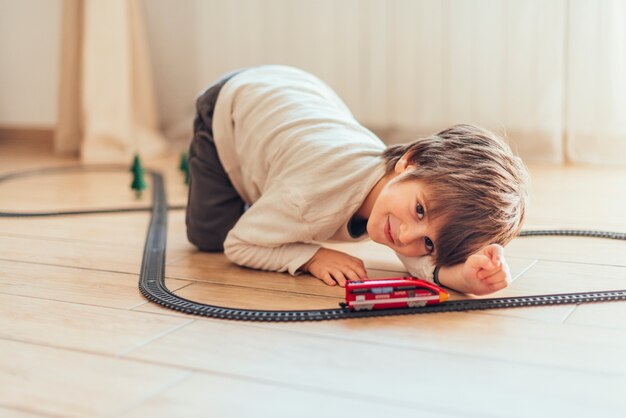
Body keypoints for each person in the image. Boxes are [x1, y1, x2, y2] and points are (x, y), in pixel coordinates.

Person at [186, 65, 529, 296]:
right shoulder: (309, 198)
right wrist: (312, 257)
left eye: (428, 244)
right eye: (420, 211)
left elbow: (420, 262)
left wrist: (466, 278)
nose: (407, 236)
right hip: (231, 105)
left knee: (274, 211)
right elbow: (239, 244)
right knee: (211, 235)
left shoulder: (402, 193)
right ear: (410, 161)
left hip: (298, 97)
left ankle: (268, 203)